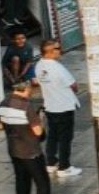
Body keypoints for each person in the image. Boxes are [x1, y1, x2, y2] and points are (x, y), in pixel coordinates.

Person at [0, 77, 51, 194]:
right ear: (26, 89)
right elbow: (38, 131)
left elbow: (0, 126)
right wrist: (41, 119)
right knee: (42, 185)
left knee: (22, 185)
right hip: (31, 152)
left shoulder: (3, 103)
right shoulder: (26, 106)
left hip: (14, 151)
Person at [32, 38, 80, 178]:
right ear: (50, 52)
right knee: (65, 138)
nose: (61, 51)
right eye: (58, 48)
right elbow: (74, 85)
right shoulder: (58, 67)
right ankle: (64, 167)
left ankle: (51, 163)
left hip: (50, 106)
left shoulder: (39, 66)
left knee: (53, 136)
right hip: (64, 106)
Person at [0, 27, 35, 93]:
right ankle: (15, 80)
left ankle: (21, 79)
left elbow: (29, 62)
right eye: (18, 39)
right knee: (16, 58)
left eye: (23, 38)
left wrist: (23, 73)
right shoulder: (11, 48)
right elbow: (3, 64)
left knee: (34, 82)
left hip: (24, 67)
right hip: (13, 68)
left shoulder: (29, 47)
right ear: (13, 40)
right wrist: (11, 78)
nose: (21, 40)